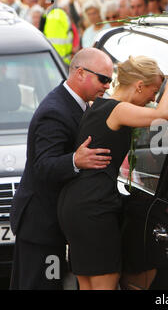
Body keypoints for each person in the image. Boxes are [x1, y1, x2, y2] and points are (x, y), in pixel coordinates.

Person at [57, 55, 168, 290]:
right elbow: (163, 115)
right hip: (93, 207)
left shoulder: (98, 106)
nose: (153, 98)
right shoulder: (116, 110)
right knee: (104, 282)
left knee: (88, 284)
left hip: (76, 204)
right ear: (139, 85)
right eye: (153, 91)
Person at [9, 47, 113, 290]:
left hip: (52, 226)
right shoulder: (55, 111)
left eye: (110, 80)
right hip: (41, 227)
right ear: (80, 73)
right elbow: (43, 166)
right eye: (103, 79)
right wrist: (75, 161)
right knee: (43, 285)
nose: (107, 86)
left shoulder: (78, 104)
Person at [37, 0, 73, 65]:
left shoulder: (54, 17)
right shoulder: (51, 14)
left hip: (55, 65)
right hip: (56, 64)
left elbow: (56, 47)